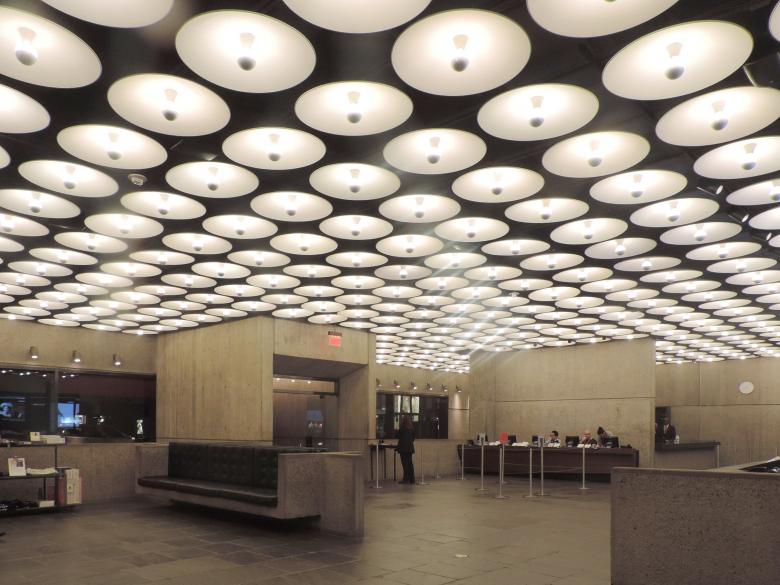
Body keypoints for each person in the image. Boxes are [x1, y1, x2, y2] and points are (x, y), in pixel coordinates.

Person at [396, 415, 416, 484]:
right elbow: (413, 438)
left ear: (403, 421)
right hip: (410, 448)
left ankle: (406, 479)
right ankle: (412, 479)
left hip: (403, 448)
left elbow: (397, 436)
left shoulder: (402, 428)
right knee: (410, 464)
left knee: (405, 464)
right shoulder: (412, 429)